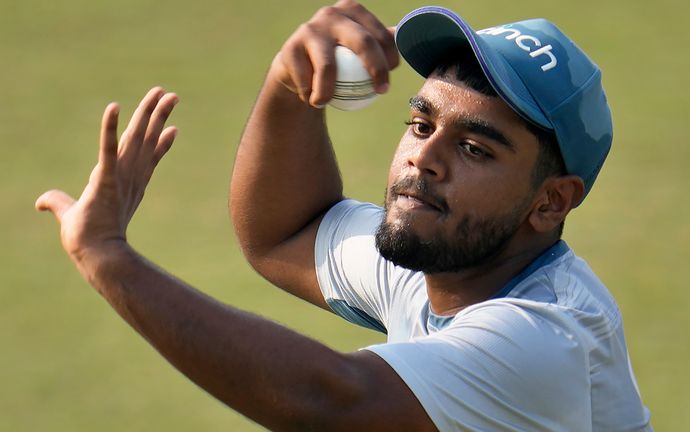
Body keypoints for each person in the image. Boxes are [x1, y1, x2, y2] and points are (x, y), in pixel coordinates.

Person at [36, 1, 652, 430]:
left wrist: (108, 258)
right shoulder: (443, 257)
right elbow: (286, 233)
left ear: (550, 202)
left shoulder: (545, 340)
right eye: (420, 124)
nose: (423, 160)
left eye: (474, 148)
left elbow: (327, 403)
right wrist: (288, 87)